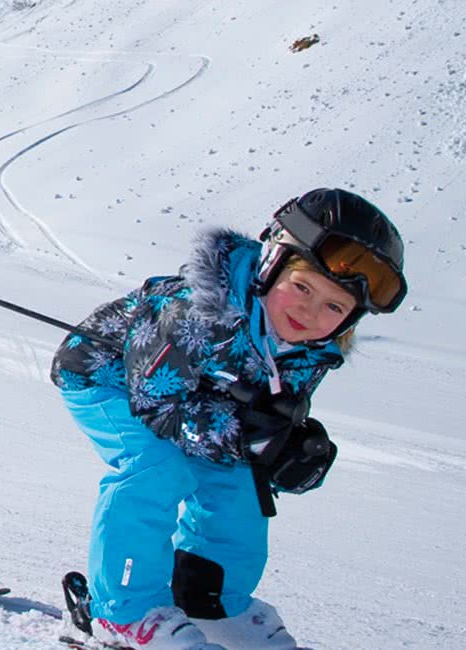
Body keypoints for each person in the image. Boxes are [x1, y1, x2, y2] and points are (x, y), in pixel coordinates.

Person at [50, 189, 407, 650]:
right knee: (155, 468)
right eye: (302, 287)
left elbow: (257, 428)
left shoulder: (311, 353)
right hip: (107, 380)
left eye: (334, 307)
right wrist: (244, 433)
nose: (310, 312)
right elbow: (157, 405)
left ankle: (211, 602)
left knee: (242, 488)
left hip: (195, 412)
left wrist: (284, 452)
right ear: (272, 263)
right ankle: (122, 612)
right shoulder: (196, 311)